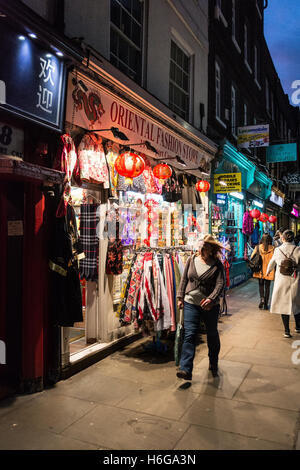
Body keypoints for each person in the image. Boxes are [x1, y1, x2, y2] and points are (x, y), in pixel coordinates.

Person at [176, 235, 227, 380]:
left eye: (204, 248)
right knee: (190, 334)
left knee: (212, 334)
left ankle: (213, 361)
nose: (201, 250)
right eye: (200, 247)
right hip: (191, 302)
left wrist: (211, 299)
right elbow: (184, 278)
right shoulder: (192, 260)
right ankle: (185, 368)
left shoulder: (217, 264)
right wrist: (180, 297)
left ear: (211, 249)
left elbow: (220, 284)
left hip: (210, 306)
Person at [266, 230, 300, 338]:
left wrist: (267, 272)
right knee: (297, 304)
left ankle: (286, 331)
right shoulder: (298, 250)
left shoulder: (278, 250)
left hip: (282, 281)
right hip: (295, 279)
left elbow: (272, 263)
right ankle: (298, 327)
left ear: (283, 238)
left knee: (283, 305)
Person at [250, 233, 275, 310]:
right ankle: (266, 304)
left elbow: (251, 257)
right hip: (269, 271)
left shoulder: (257, 247)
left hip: (259, 270)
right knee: (267, 287)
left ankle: (262, 299)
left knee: (261, 286)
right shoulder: (273, 248)